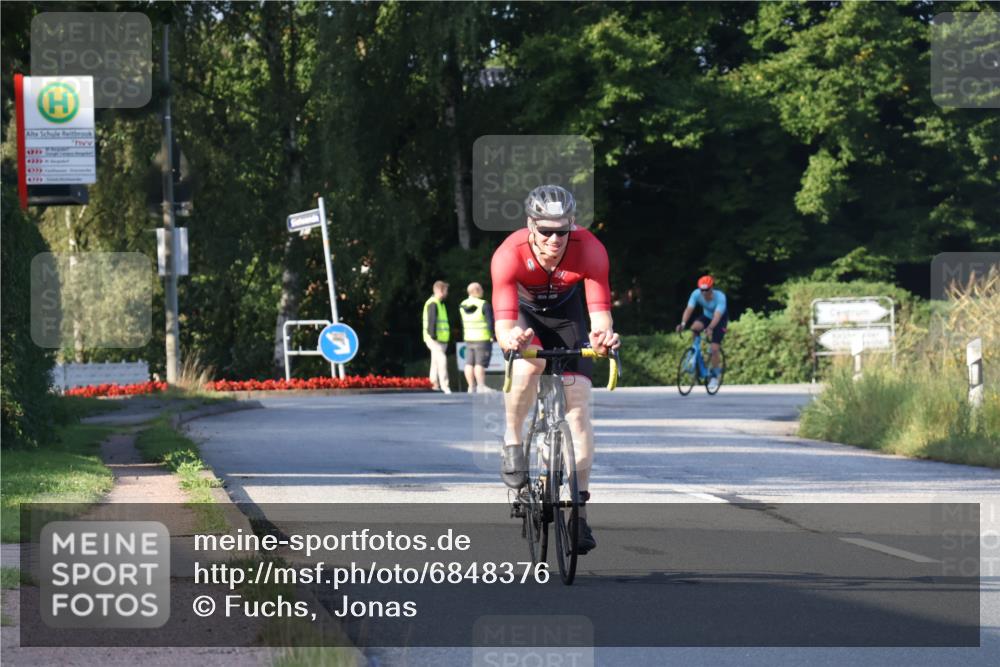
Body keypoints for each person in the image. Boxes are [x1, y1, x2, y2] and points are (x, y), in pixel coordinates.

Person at [490, 184, 620, 555]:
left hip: (568, 317)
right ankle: (513, 439)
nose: (554, 239)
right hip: (523, 316)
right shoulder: (508, 255)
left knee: (578, 410)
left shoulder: (590, 250)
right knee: (529, 369)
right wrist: (511, 339)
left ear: (572, 225)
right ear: (530, 225)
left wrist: (603, 338)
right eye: (545, 230)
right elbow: (502, 325)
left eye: (561, 230)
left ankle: (578, 513)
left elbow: (600, 315)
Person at [675, 275, 727, 392]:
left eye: (706, 290)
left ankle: (714, 375)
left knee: (714, 348)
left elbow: (717, 316)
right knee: (694, 327)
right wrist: (683, 324)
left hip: (719, 320)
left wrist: (710, 328)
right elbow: (689, 309)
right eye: (701, 290)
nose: (703, 293)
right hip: (707, 316)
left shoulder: (720, 298)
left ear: (711, 288)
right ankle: (695, 351)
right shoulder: (696, 294)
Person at [459, 282, 495, 393]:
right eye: (481, 289)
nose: (483, 291)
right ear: (476, 291)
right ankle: (481, 386)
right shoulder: (484, 304)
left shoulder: (462, 305)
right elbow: (490, 322)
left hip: (469, 338)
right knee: (479, 363)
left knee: (469, 363)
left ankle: (471, 386)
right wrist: (492, 335)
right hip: (482, 338)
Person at [422, 280, 452, 393]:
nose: (447, 293)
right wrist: (433, 336)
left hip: (440, 339)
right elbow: (432, 321)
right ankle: (445, 386)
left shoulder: (439, 303)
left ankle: (433, 384)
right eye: (446, 290)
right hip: (435, 339)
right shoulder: (433, 303)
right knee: (442, 360)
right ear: (440, 290)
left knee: (435, 362)